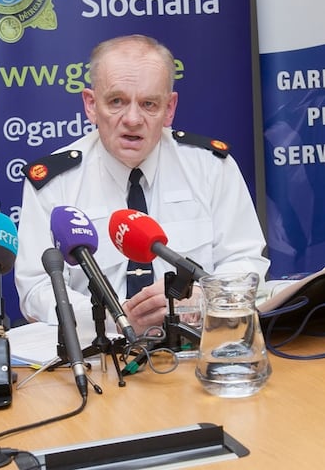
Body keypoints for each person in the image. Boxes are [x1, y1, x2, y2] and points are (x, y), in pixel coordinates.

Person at [14, 34, 269, 336]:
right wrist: (117, 319)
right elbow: (36, 291)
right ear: (91, 105)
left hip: (198, 345)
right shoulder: (54, 183)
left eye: (149, 104)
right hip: (103, 356)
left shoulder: (211, 167)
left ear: (169, 109)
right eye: (117, 101)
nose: (132, 119)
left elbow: (245, 260)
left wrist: (200, 300)